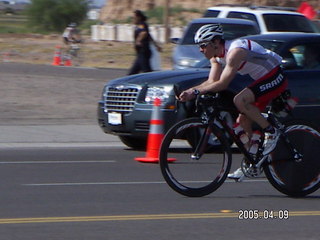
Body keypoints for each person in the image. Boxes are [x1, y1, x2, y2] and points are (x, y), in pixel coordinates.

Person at [178, 24, 288, 180]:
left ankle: (271, 131)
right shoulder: (216, 58)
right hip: (263, 80)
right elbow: (211, 82)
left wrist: (195, 92)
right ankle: (251, 163)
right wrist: (191, 92)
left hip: (275, 74)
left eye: (203, 45)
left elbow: (222, 84)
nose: (200, 50)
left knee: (239, 100)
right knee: (242, 121)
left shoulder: (235, 52)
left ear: (215, 42)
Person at [128, 10, 161, 75]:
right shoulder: (139, 26)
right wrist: (156, 45)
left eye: (134, 18)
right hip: (140, 53)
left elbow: (144, 33)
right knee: (133, 72)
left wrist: (138, 40)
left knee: (146, 73)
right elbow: (149, 36)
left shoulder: (142, 25)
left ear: (139, 17)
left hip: (144, 52)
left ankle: (155, 82)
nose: (133, 19)